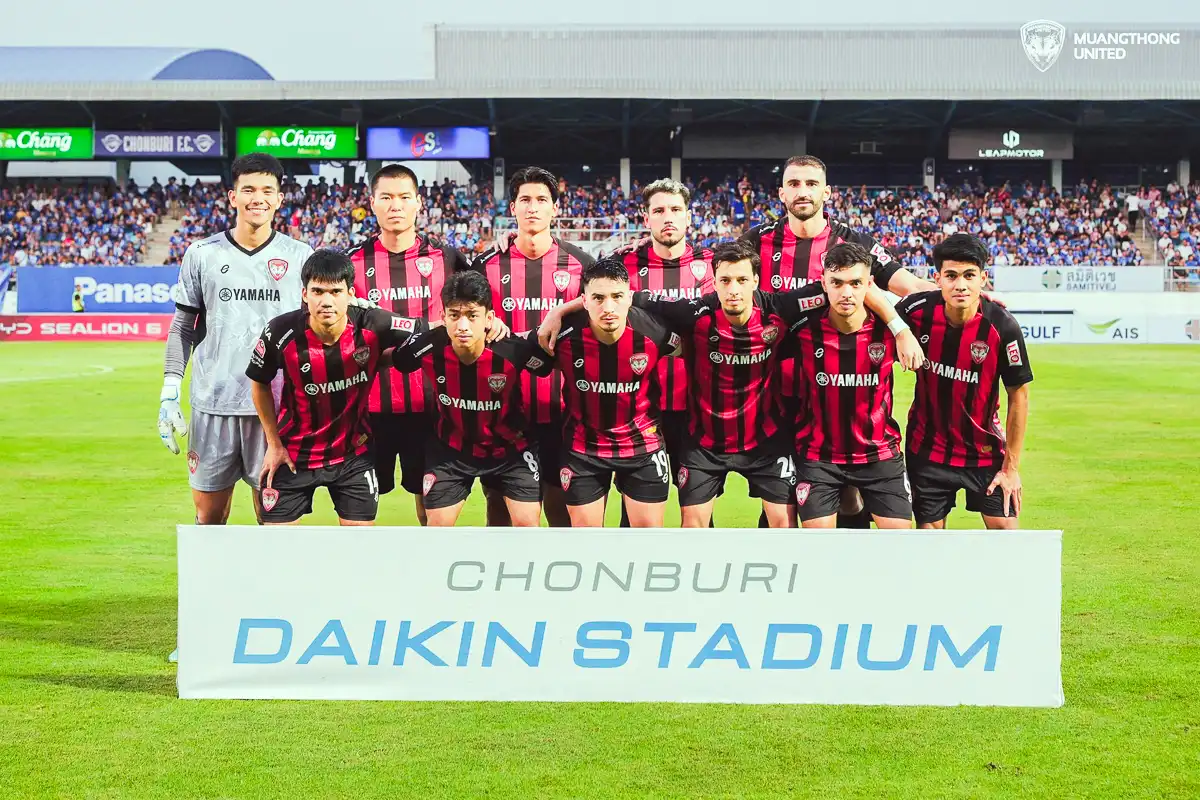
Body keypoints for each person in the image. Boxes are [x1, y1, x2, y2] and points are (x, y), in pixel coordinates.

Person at [541, 240, 923, 528]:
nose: (734, 289)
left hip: (766, 440)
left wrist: (899, 328)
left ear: (756, 280)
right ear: (714, 282)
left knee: (785, 529)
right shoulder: (695, 313)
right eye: (725, 280)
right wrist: (561, 309)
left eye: (742, 280)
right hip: (704, 443)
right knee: (693, 528)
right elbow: (622, 297)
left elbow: (851, 287)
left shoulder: (780, 308)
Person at [740, 154, 937, 528]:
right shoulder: (757, 241)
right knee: (780, 502)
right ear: (781, 193)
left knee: (846, 494)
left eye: (811, 184)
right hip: (773, 395)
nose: (803, 191)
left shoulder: (853, 241)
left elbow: (909, 285)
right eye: (794, 184)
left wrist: (970, 298)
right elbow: (724, 281)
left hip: (834, 395)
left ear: (826, 192)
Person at [157, 152, 314, 525]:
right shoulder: (202, 254)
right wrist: (169, 389)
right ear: (232, 197)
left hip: (277, 410)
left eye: (267, 190)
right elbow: (183, 326)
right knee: (209, 517)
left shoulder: (300, 256)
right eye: (248, 189)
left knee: (278, 521)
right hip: (214, 404)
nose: (258, 198)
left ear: (279, 198)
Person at [245, 249, 424, 526]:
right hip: (293, 454)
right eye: (317, 291)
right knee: (276, 544)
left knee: (358, 544)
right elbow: (259, 382)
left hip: (353, 455)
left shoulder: (373, 322)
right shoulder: (280, 332)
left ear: (350, 294)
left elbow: (427, 329)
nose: (326, 301)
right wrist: (274, 444)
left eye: (336, 292)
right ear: (304, 294)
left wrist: (487, 323)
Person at [348, 164, 479, 526]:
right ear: (372, 203)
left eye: (404, 197)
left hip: (433, 406)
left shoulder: (448, 258)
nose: (396, 205)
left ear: (419, 203)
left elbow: (477, 308)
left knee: (431, 511)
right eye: (386, 197)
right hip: (370, 408)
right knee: (359, 512)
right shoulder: (351, 262)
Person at [475, 166, 595, 527]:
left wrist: (562, 309)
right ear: (513, 207)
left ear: (555, 208)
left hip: (563, 409)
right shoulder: (485, 265)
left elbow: (609, 298)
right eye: (525, 200)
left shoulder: (582, 265)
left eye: (542, 200)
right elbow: (462, 315)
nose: (533, 207)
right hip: (502, 408)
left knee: (560, 508)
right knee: (499, 509)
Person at [525, 257, 682, 527]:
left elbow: (698, 349)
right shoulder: (561, 334)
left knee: (648, 538)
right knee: (586, 542)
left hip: (643, 447)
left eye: (617, 297)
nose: (608, 308)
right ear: (584, 301)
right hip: (583, 449)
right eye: (598, 298)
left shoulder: (655, 331)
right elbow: (512, 349)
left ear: (629, 298)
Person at [895, 233, 1032, 529]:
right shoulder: (916, 312)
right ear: (937, 279)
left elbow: (1019, 395)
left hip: (984, 452)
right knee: (930, 538)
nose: (961, 285)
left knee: (1007, 532)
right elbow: (873, 319)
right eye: (951, 276)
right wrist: (900, 332)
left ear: (983, 278)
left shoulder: (1002, 326)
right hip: (927, 451)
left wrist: (1011, 469)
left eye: (969, 275)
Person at [391, 271, 541, 526]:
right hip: (451, 451)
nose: (462, 326)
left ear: (489, 318)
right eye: (454, 316)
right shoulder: (429, 345)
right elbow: (400, 360)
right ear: (443, 317)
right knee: (437, 528)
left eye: (472, 316)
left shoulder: (512, 349)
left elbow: (545, 365)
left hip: (511, 451)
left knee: (527, 525)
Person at [788, 242, 914, 529]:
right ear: (824, 283)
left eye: (856, 283)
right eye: (837, 283)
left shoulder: (890, 331)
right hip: (819, 457)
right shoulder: (802, 330)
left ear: (869, 285)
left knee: (902, 541)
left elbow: (941, 300)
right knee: (816, 541)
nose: (846, 293)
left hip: (879, 454)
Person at [616, 178, 714, 525]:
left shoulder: (714, 264)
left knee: (698, 517)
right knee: (634, 520)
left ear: (689, 216)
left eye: (675, 209)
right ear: (646, 218)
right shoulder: (621, 265)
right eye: (658, 210)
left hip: (696, 408)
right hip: (638, 409)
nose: (667, 217)